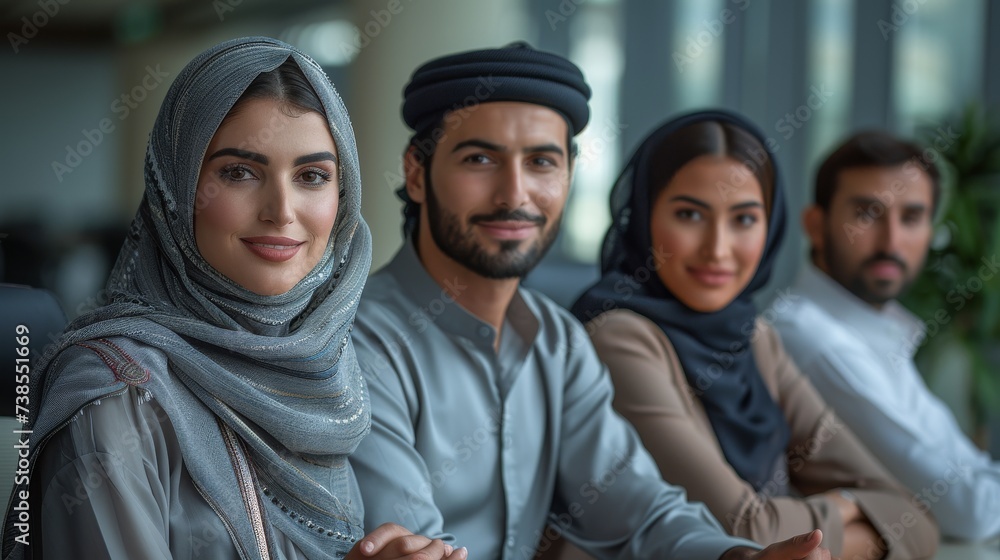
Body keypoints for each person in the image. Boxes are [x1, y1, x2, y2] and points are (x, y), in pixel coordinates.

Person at [350, 43, 835, 560]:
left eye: (541, 162)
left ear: (569, 176)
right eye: (480, 159)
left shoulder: (557, 342)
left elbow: (640, 511)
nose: (514, 194)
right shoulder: (358, 344)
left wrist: (739, 557)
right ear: (418, 174)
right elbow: (410, 546)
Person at [1, 37, 464, 560]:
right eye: (239, 172)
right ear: (176, 187)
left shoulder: (329, 363)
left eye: (312, 176)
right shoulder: (117, 395)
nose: (281, 210)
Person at [570, 111, 938, 559]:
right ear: (645, 218)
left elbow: (914, 517)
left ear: (771, 226)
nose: (718, 248)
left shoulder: (755, 340)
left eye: (743, 219)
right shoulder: (618, 338)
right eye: (689, 214)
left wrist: (810, 526)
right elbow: (744, 529)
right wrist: (852, 513)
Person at [773, 130, 1000, 541]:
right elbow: (969, 510)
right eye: (866, 213)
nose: (892, 241)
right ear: (815, 225)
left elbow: (973, 471)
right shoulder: (812, 340)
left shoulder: (881, 330)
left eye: (911, 218)